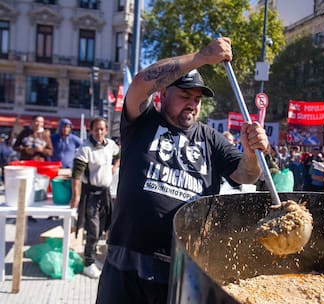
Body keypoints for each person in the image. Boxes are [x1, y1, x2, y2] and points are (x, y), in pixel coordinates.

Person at [96, 37, 269, 304]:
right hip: (126, 263)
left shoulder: (211, 139)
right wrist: (202, 56)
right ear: (164, 94)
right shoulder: (142, 122)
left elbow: (247, 174)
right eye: (185, 96)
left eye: (198, 99)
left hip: (181, 268)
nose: (193, 104)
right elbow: (141, 83)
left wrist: (251, 152)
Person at [70, 117, 120, 279]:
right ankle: (88, 263)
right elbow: (76, 175)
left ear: (106, 130)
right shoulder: (85, 149)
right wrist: (75, 197)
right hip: (90, 194)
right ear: (91, 130)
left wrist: (114, 167)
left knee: (105, 227)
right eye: (96, 129)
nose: (99, 132)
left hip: (105, 193)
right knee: (93, 229)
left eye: (102, 129)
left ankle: (91, 258)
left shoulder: (110, 145)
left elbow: (119, 153)